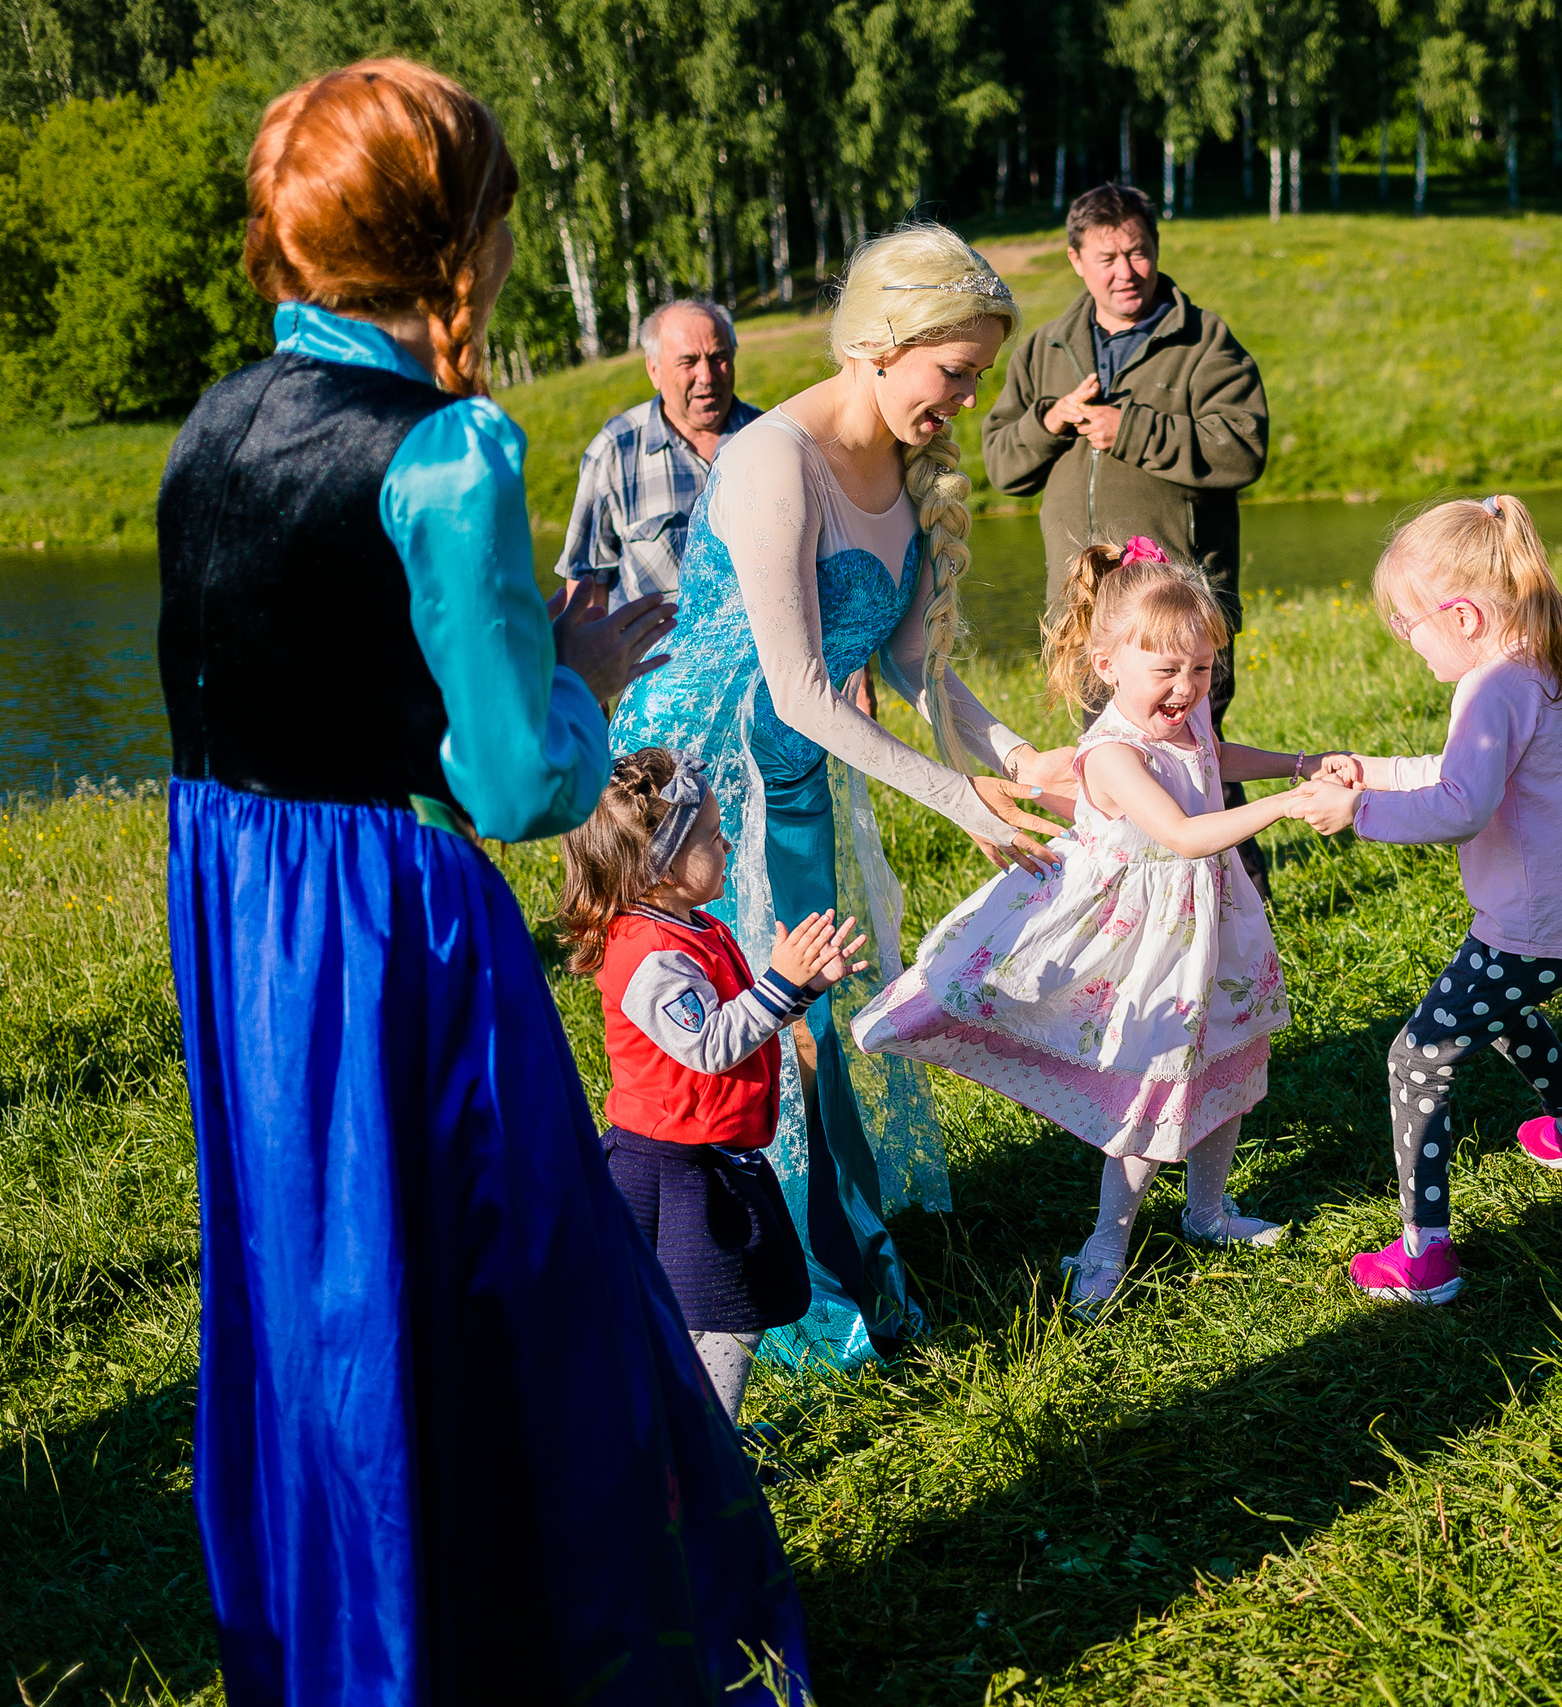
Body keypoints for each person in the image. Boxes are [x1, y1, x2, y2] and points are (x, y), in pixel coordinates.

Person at [157, 59, 811, 1704]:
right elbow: (520, 782)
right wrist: (584, 665)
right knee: (495, 1261)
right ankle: (522, 1618)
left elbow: (282, 691)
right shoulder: (448, 451)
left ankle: (354, 1621)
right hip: (385, 918)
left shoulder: (212, 424)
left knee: (318, 1267)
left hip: (240, 902)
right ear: (457, 238)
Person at [608, 225, 1077, 1375]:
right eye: (952, 372)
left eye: (976, 376)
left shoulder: (910, 474)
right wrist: (957, 801)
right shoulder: (776, 458)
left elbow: (919, 672)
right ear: (878, 345)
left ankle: (828, 1245)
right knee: (725, 1027)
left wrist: (1020, 759)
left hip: (804, 770)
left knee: (813, 1006)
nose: (965, 402)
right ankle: (730, 1280)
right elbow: (804, 687)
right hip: (698, 787)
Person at [856, 540, 1337, 1310]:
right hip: (1145, 937)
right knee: (1156, 1084)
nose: (1188, 690)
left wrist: (1297, 762)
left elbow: (1214, 756)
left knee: (1233, 1058)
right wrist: (1283, 807)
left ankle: (1208, 1211)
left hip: (1212, 919)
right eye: (1169, 673)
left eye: (1203, 669)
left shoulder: (1188, 711)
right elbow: (1180, 832)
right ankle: (1106, 1238)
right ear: (1109, 664)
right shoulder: (1111, 752)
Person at [1290, 497, 1562, 1306]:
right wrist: (1368, 770)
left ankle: (1426, 1254)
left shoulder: (1491, 687)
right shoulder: (1539, 659)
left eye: (1408, 623)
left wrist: (1357, 814)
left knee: (1416, 1059)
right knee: (1506, 1012)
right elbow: (1460, 775)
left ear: (1463, 615)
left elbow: (1460, 806)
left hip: (1533, 925)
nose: (1405, 639)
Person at [559, 747, 872, 1422]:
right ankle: (709, 1456)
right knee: (726, 1317)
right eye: (709, 835)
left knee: (711, 1315)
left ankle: (684, 1441)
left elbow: (735, 1025)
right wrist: (781, 983)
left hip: (709, 1157)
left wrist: (801, 987)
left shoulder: (687, 926)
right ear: (658, 866)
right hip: (676, 1167)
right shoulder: (650, 957)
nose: (725, 841)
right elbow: (710, 1046)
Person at [981, 183, 1274, 896]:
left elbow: (1242, 449)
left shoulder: (1205, 342)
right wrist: (1050, 421)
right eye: (1107, 255)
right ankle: (1114, 902)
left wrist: (1131, 431)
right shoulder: (1045, 347)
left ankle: (1242, 905)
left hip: (1177, 616)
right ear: (1076, 259)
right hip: (1086, 610)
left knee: (1194, 757)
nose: (1126, 270)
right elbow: (999, 464)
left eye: (1139, 250)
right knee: (1103, 762)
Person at [559, 298, 762, 610]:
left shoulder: (769, 440)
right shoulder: (615, 451)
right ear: (654, 370)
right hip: (656, 658)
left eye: (718, 357)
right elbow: (586, 584)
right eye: (688, 362)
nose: (706, 376)